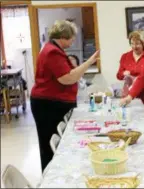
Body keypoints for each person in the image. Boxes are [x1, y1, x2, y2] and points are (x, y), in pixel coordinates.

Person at [30, 20, 99, 172]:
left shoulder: (52, 49)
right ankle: (51, 177)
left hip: (50, 102)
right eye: (71, 37)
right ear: (63, 36)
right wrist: (89, 62)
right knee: (48, 143)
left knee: (50, 141)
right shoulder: (52, 52)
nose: (73, 40)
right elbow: (67, 78)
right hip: (48, 104)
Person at [117, 31, 144, 106]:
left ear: (143, 44)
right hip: (128, 95)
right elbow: (118, 75)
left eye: (137, 43)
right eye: (132, 43)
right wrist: (124, 73)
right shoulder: (125, 56)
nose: (134, 46)